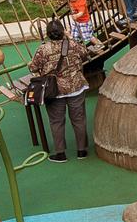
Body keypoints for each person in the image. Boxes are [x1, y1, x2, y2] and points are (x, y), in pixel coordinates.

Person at [27, 20, 90, 162]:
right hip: (75, 87)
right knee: (79, 120)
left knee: (56, 121)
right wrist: (70, 37)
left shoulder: (43, 49)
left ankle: (60, 153)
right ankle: (82, 150)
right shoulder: (73, 44)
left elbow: (33, 67)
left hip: (54, 90)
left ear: (48, 34)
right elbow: (85, 53)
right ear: (63, 32)